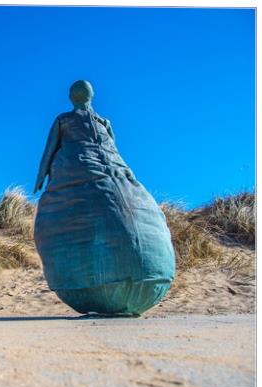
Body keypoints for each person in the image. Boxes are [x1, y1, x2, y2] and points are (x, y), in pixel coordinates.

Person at [33, 80, 175, 316]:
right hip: (104, 169)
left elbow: (49, 150)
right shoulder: (100, 122)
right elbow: (113, 149)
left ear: (72, 97)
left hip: (82, 167)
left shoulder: (66, 120)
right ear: (92, 95)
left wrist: (41, 176)